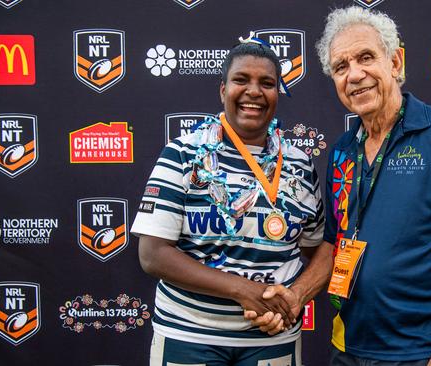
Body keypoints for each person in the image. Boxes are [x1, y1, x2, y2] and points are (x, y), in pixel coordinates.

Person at [314, 6, 431, 366]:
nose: (354, 75)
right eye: (341, 67)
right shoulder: (341, 150)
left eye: (366, 57)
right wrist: (293, 298)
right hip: (348, 351)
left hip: (424, 354)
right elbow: (334, 243)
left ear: (395, 62)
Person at [131, 41, 332, 366]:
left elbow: (319, 247)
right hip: (189, 334)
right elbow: (152, 255)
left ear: (277, 94)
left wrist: (295, 298)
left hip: (273, 337)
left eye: (266, 83)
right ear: (223, 89)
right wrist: (242, 289)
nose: (254, 91)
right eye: (242, 80)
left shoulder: (299, 165)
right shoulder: (183, 154)